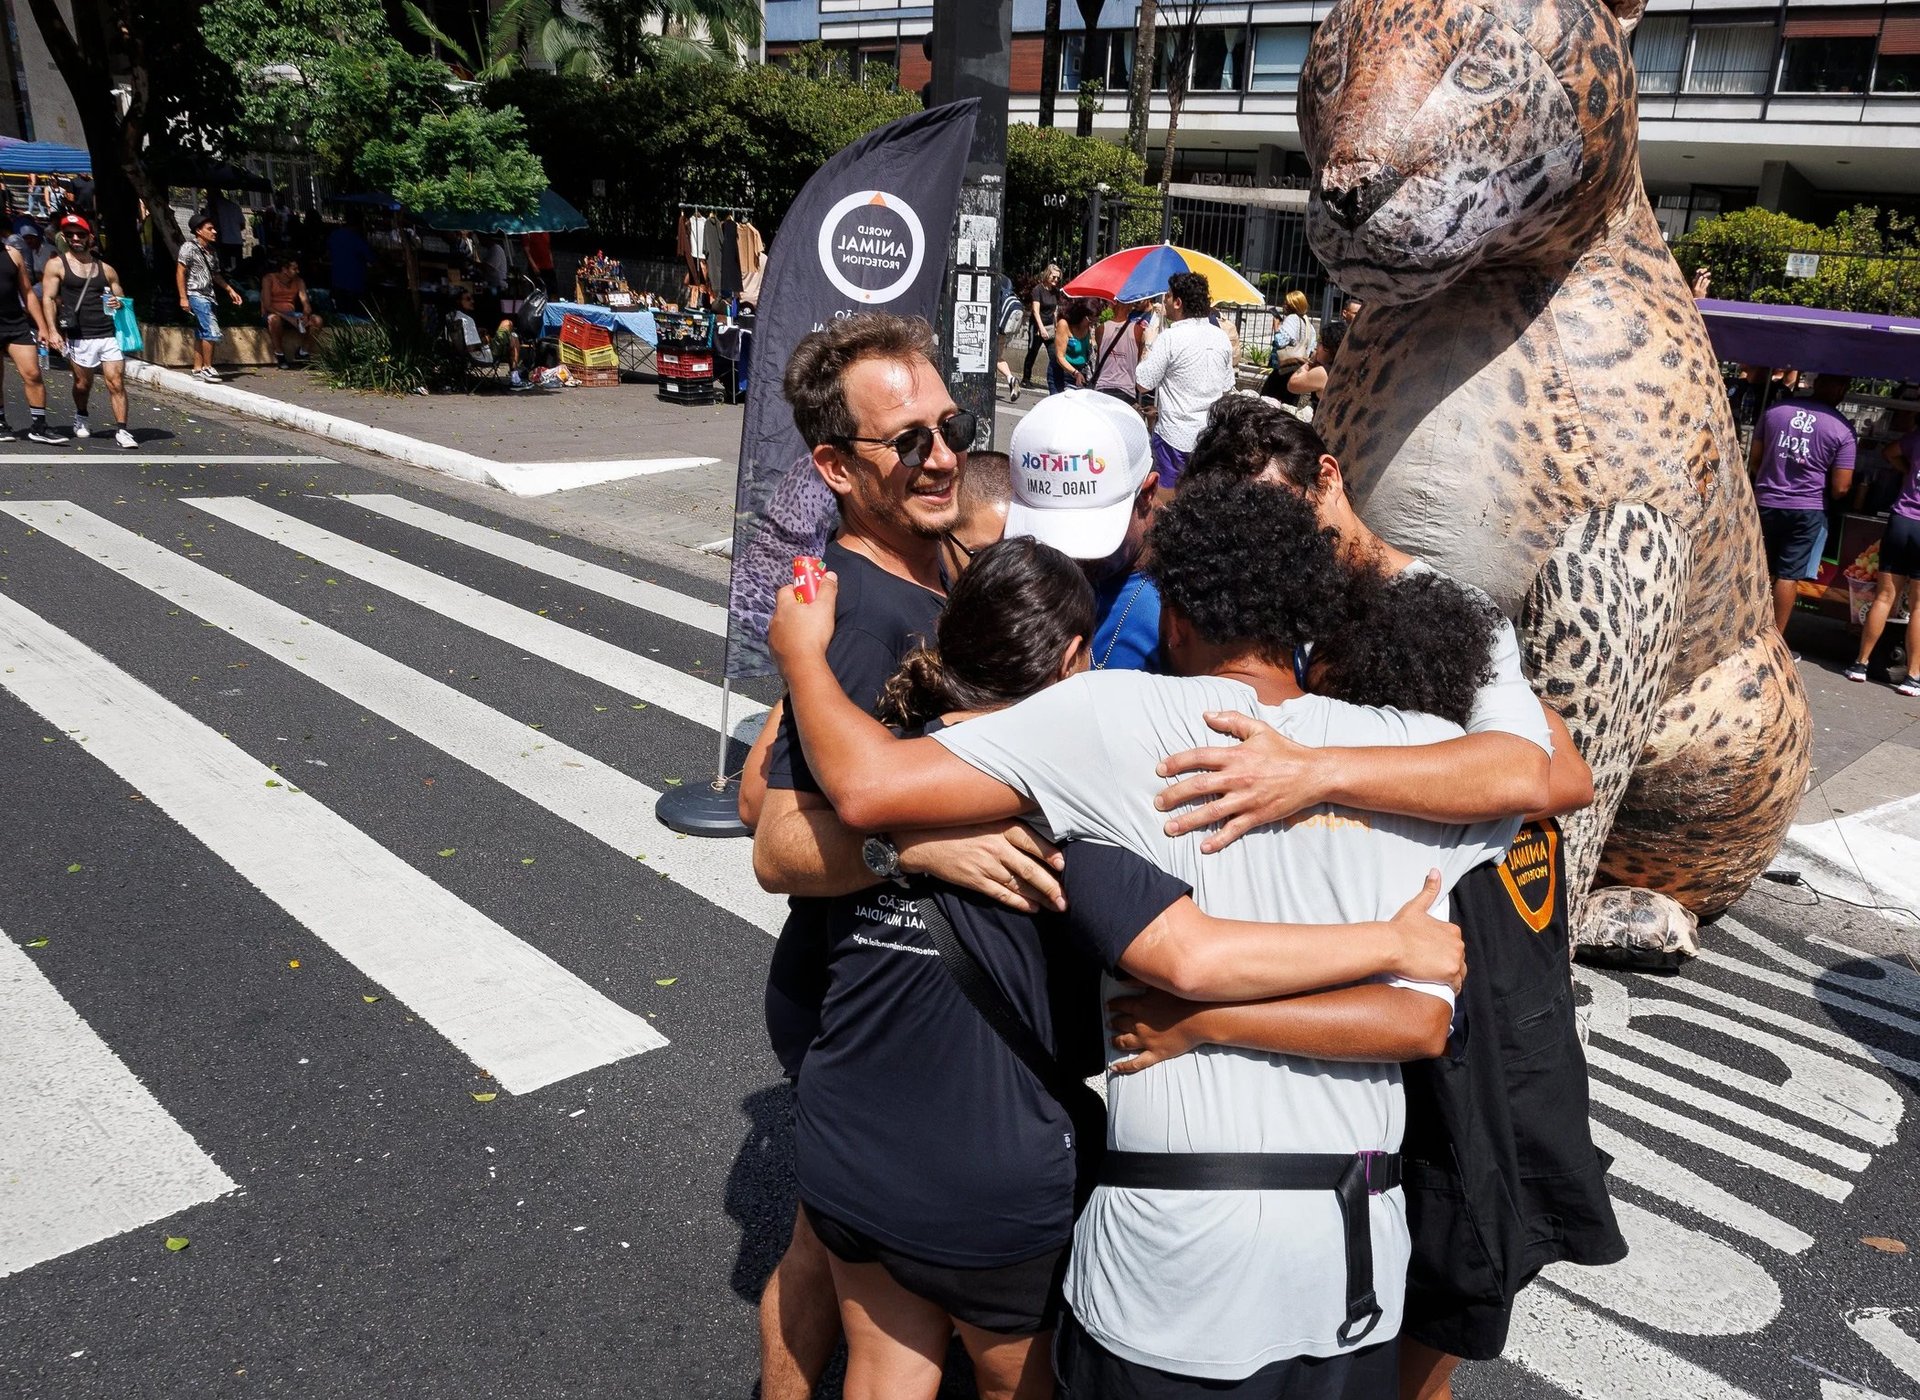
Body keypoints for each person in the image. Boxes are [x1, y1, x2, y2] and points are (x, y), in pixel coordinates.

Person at [765, 476, 1532, 1397]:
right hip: (1351, 1260)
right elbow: (1533, 779)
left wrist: (802, 658)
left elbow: (863, 792)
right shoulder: (1418, 754)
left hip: (1167, 1251)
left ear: (1173, 617)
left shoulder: (1110, 715)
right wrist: (1362, 872)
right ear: (1309, 620)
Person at [744, 314, 1073, 1400]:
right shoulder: (857, 618)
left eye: (952, 426)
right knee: (829, 1243)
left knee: (836, 1245)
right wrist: (922, 845)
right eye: (909, 441)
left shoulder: (936, 562)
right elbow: (777, 842)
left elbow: (761, 772)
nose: (942, 458)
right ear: (837, 467)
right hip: (856, 993)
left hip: (895, 992)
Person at [1004, 389, 1163, 673]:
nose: (1071, 555)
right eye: (1048, 531)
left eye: (1089, 530)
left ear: (1147, 493)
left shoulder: (1184, 606)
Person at [1749, 373, 1857, 637]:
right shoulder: (1842, 428)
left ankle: (1744, 630)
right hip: (1807, 509)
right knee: (1788, 575)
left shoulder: (1775, 411)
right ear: (1842, 390)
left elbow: (1754, 460)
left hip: (1765, 501)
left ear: (1817, 383)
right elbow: (1841, 487)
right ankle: (1773, 640)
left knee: (1758, 568)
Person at [41, 214, 138, 449]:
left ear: (90, 237)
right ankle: (81, 414)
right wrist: (52, 331)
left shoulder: (107, 269)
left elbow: (121, 298)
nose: (75, 238)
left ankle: (122, 430)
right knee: (82, 384)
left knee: (116, 382)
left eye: (81, 234)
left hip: (108, 334)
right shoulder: (56, 265)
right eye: (70, 234)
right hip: (79, 336)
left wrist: (117, 302)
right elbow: (49, 298)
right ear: (64, 237)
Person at [1133, 271, 1235, 490]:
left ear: (1178, 302)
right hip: (1210, 437)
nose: (1165, 302)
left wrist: (1149, 343)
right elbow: (1227, 387)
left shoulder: (1170, 338)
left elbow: (1142, 383)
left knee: (1168, 499)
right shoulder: (1221, 337)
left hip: (1174, 438)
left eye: (1168, 296)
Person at [1848, 427, 1920, 695]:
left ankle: (1860, 664)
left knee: (1884, 596)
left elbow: (1889, 452)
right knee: (1919, 605)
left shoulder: (1916, 438)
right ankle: (1913, 677)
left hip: (1901, 521)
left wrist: (1907, 470)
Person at [0, 215, 63, 444]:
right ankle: (1, 423)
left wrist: (43, 327)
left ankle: (39, 426)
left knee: (33, 373)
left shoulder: (12, 254)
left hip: (15, 323)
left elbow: (27, 292)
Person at [175, 214, 243, 384]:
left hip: (209, 296)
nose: (214, 232)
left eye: (214, 228)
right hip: (196, 294)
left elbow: (215, 275)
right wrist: (183, 297)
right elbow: (180, 272)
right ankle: (207, 367)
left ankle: (197, 368)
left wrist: (229, 290)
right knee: (211, 331)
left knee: (202, 332)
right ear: (198, 231)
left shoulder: (212, 251)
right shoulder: (188, 247)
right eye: (209, 229)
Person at [449, 287, 524, 388]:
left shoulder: (456, 317)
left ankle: (515, 377)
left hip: (474, 355)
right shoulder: (467, 320)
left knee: (512, 337)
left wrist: (478, 333)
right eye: (468, 299)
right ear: (459, 302)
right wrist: (485, 339)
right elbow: (472, 347)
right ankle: (515, 378)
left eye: (472, 298)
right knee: (507, 323)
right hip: (483, 356)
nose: (472, 301)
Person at [261, 255, 325, 369]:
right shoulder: (269, 279)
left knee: (317, 320)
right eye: (294, 269)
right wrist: (289, 319)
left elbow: (306, 303)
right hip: (273, 313)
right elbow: (267, 306)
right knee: (274, 319)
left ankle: (303, 352)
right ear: (284, 270)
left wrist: (305, 314)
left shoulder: (299, 281)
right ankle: (279, 354)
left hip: (292, 313)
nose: (297, 271)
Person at [1090, 298, 1149, 404]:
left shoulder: (1100, 329)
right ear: (1130, 306)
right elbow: (1137, 360)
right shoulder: (1138, 331)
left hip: (1103, 387)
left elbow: (1099, 360)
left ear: (1113, 304)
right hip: (1126, 389)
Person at [1261, 289, 1317, 399]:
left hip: (1284, 369)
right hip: (1297, 370)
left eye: (1287, 304)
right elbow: (1311, 348)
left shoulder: (1292, 319)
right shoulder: (1309, 325)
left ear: (1293, 306)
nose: (1283, 306)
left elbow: (1281, 342)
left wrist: (1276, 327)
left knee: (1267, 399)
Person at [1023, 265, 1063, 391]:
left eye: (1058, 278)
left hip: (1050, 327)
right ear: (1047, 275)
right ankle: (1026, 379)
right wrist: (1041, 328)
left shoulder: (1055, 291)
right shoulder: (1038, 290)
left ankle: (1056, 381)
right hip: (1037, 326)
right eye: (1054, 277)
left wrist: (1056, 326)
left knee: (1054, 354)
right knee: (1032, 352)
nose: (1056, 280)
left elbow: (1055, 311)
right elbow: (1035, 311)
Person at [1051, 297, 1096, 394]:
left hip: (1081, 373)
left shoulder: (1088, 328)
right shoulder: (1064, 325)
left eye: (1095, 320)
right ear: (1081, 315)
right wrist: (1075, 373)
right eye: (1090, 319)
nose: (1092, 323)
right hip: (1063, 373)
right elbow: (1060, 357)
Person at [326, 218, 373, 306]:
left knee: (341, 310)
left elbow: (328, 254)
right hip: (355, 285)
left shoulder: (335, 235)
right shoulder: (358, 239)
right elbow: (372, 259)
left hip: (337, 283)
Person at [207, 188, 246, 269]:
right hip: (236, 241)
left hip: (222, 243)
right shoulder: (234, 206)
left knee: (225, 267)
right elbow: (242, 225)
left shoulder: (211, 208)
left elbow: (208, 224)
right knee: (239, 268)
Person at [521, 231, 557, 296]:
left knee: (552, 291)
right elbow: (527, 251)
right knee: (538, 292)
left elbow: (548, 249)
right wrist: (534, 266)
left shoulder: (546, 233)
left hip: (549, 267)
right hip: (537, 268)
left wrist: (552, 263)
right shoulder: (528, 233)